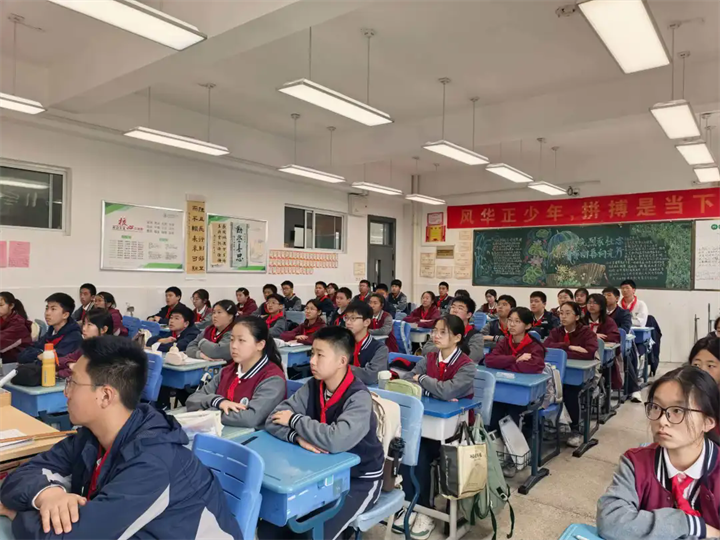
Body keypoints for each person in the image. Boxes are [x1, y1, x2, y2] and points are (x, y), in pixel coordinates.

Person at [0, 336, 243, 540]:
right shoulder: (91, 437)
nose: (67, 392)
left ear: (106, 396)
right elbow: (21, 476)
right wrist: (48, 495)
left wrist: (17, 514)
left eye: (72, 383)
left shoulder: (154, 463)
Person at [261, 327, 384, 540]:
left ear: (342, 361)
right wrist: (296, 437)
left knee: (316, 533)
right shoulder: (313, 386)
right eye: (312, 353)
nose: (312, 361)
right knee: (272, 528)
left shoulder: (358, 397)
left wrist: (294, 420)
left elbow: (336, 440)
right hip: (319, 474)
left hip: (359, 479)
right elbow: (273, 419)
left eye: (320, 355)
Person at [597, 366, 720, 540]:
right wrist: (689, 524)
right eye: (656, 407)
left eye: (677, 411)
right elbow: (610, 520)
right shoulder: (635, 462)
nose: (662, 421)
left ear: (708, 422)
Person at [398, 315, 475, 539]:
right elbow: (409, 379)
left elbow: (447, 391)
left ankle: (426, 510)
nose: (436, 335)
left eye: (443, 332)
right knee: (406, 448)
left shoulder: (467, 366)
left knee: (421, 454)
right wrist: (435, 388)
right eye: (435, 331)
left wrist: (423, 381)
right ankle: (412, 504)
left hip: (457, 431)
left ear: (457, 337)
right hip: (428, 424)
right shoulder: (429, 357)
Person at [187, 316, 286, 428]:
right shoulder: (227, 371)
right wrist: (218, 402)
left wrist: (208, 413)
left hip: (250, 437)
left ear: (260, 345)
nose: (234, 346)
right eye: (232, 339)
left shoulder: (272, 378)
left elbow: (250, 418)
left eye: (241, 340)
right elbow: (193, 399)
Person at [545, 301, 599, 447]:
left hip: (582, 374)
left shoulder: (586, 332)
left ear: (577, 316)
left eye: (568, 313)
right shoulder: (556, 332)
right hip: (557, 374)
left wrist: (561, 352)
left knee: (569, 391)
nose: (563, 316)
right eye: (561, 313)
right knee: (547, 388)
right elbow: (546, 348)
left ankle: (576, 429)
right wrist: (568, 347)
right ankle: (552, 423)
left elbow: (588, 353)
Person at [485, 307, 546, 429]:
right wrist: (515, 359)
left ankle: (517, 440)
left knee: (514, 410)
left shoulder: (535, 346)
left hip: (525, 393)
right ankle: (496, 439)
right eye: (510, 320)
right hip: (504, 389)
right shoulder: (505, 341)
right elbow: (489, 360)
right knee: (492, 409)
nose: (512, 324)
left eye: (517, 321)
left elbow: (531, 367)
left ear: (528, 326)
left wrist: (503, 364)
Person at [18, 293, 83, 364]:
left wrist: (39, 354)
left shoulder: (73, 338)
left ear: (65, 315)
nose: (47, 313)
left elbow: (54, 362)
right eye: (47, 308)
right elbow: (23, 355)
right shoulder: (51, 332)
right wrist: (39, 354)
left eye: (53, 309)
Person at [422, 295, 484, 364]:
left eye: (460, 308)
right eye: (453, 307)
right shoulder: (440, 329)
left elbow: (473, 357)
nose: (455, 310)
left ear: (468, 315)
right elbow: (426, 350)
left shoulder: (476, 335)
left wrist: (444, 348)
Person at [342, 301, 390, 385]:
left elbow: (370, 376)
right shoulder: (342, 344)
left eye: (353, 318)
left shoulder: (380, 349)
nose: (348, 322)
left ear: (366, 322)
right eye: (346, 318)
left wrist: (340, 367)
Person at [58, 309, 113, 379]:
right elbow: (61, 360)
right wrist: (69, 363)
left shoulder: (106, 351)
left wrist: (58, 373)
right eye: (84, 324)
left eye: (89, 325)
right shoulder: (88, 346)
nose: (84, 329)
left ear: (103, 329)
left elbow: (82, 372)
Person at [0, 292, 32, 364]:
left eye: (0, 305)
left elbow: (1, 340)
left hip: (16, 360)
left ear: (11, 306)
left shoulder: (18, 325)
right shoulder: (3, 319)